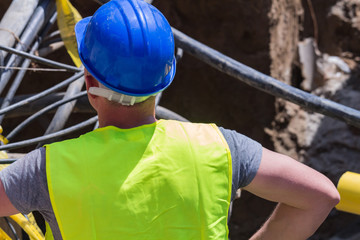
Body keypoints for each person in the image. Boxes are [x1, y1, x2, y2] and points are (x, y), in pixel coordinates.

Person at [0, 0, 340, 239]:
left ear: (89, 84)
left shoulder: (48, 169)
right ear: (165, 79)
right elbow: (321, 195)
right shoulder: (220, 147)